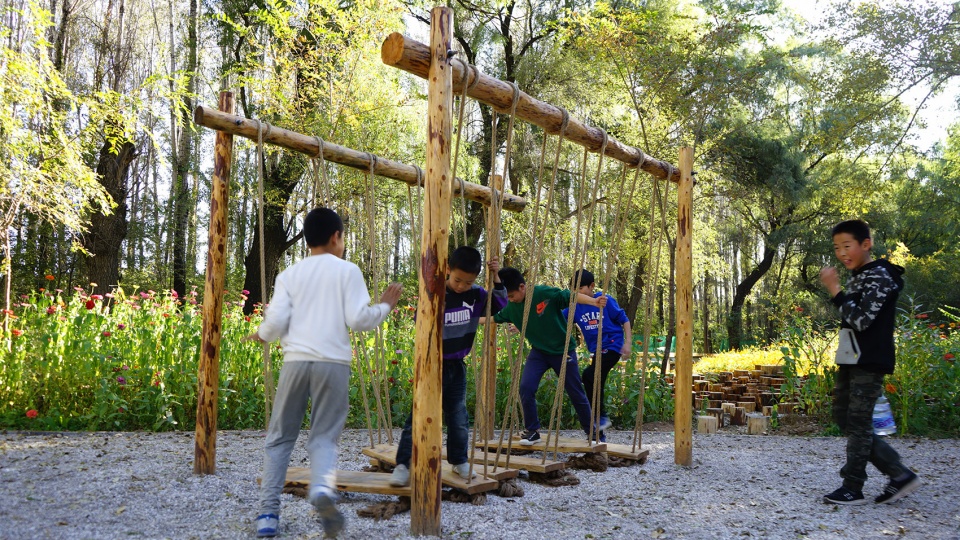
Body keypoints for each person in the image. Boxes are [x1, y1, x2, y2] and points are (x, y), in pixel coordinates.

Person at [244, 207, 402, 538]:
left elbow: (275, 323)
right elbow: (358, 320)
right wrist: (385, 305)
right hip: (333, 365)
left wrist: (263, 333)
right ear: (336, 237)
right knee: (324, 436)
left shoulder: (289, 275)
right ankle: (321, 489)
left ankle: (267, 516)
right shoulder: (348, 271)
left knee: (279, 439)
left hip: (296, 363)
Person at [819, 219, 919, 505]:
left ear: (866, 244)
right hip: (852, 359)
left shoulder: (881, 275)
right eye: (837, 247)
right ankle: (899, 474)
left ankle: (853, 487)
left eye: (847, 246)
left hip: (869, 360)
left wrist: (835, 290)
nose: (841, 253)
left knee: (859, 423)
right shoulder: (861, 274)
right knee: (844, 417)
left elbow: (862, 320)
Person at [389, 246, 507, 487]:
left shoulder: (477, 294)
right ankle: (403, 464)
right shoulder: (435, 291)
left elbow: (500, 304)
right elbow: (418, 320)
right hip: (431, 364)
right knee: (418, 416)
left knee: (458, 417)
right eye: (457, 280)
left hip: (456, 366)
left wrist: (496, 276)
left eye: (468, 281)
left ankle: (459, 460)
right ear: (448, 271)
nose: (462, 286)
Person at [493, 267, 607, 445]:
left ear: (522, 287)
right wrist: (469, 320)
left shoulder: (543, 293)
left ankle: (593, 433)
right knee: (526, 387)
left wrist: (594, 301)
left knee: (575, 391)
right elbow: (491, 318)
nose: (510, 300)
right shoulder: (512, 307)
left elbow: (571, 296)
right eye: (508, 297)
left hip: (562, 351)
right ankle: (532, 431)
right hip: (539, 352)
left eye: (512, 295)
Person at [562, 269, 632, 442]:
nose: (577, 293)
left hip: (612, 346)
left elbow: (624, 319)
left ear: (591, 286)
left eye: (580, 289)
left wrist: (628, 343)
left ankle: (601, 418)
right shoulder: (574, 306)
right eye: (574, 290)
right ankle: (599, 431)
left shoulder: (604, 300)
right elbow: (555, 319)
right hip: (597, 351)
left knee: (589, 375)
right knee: (594, 382)